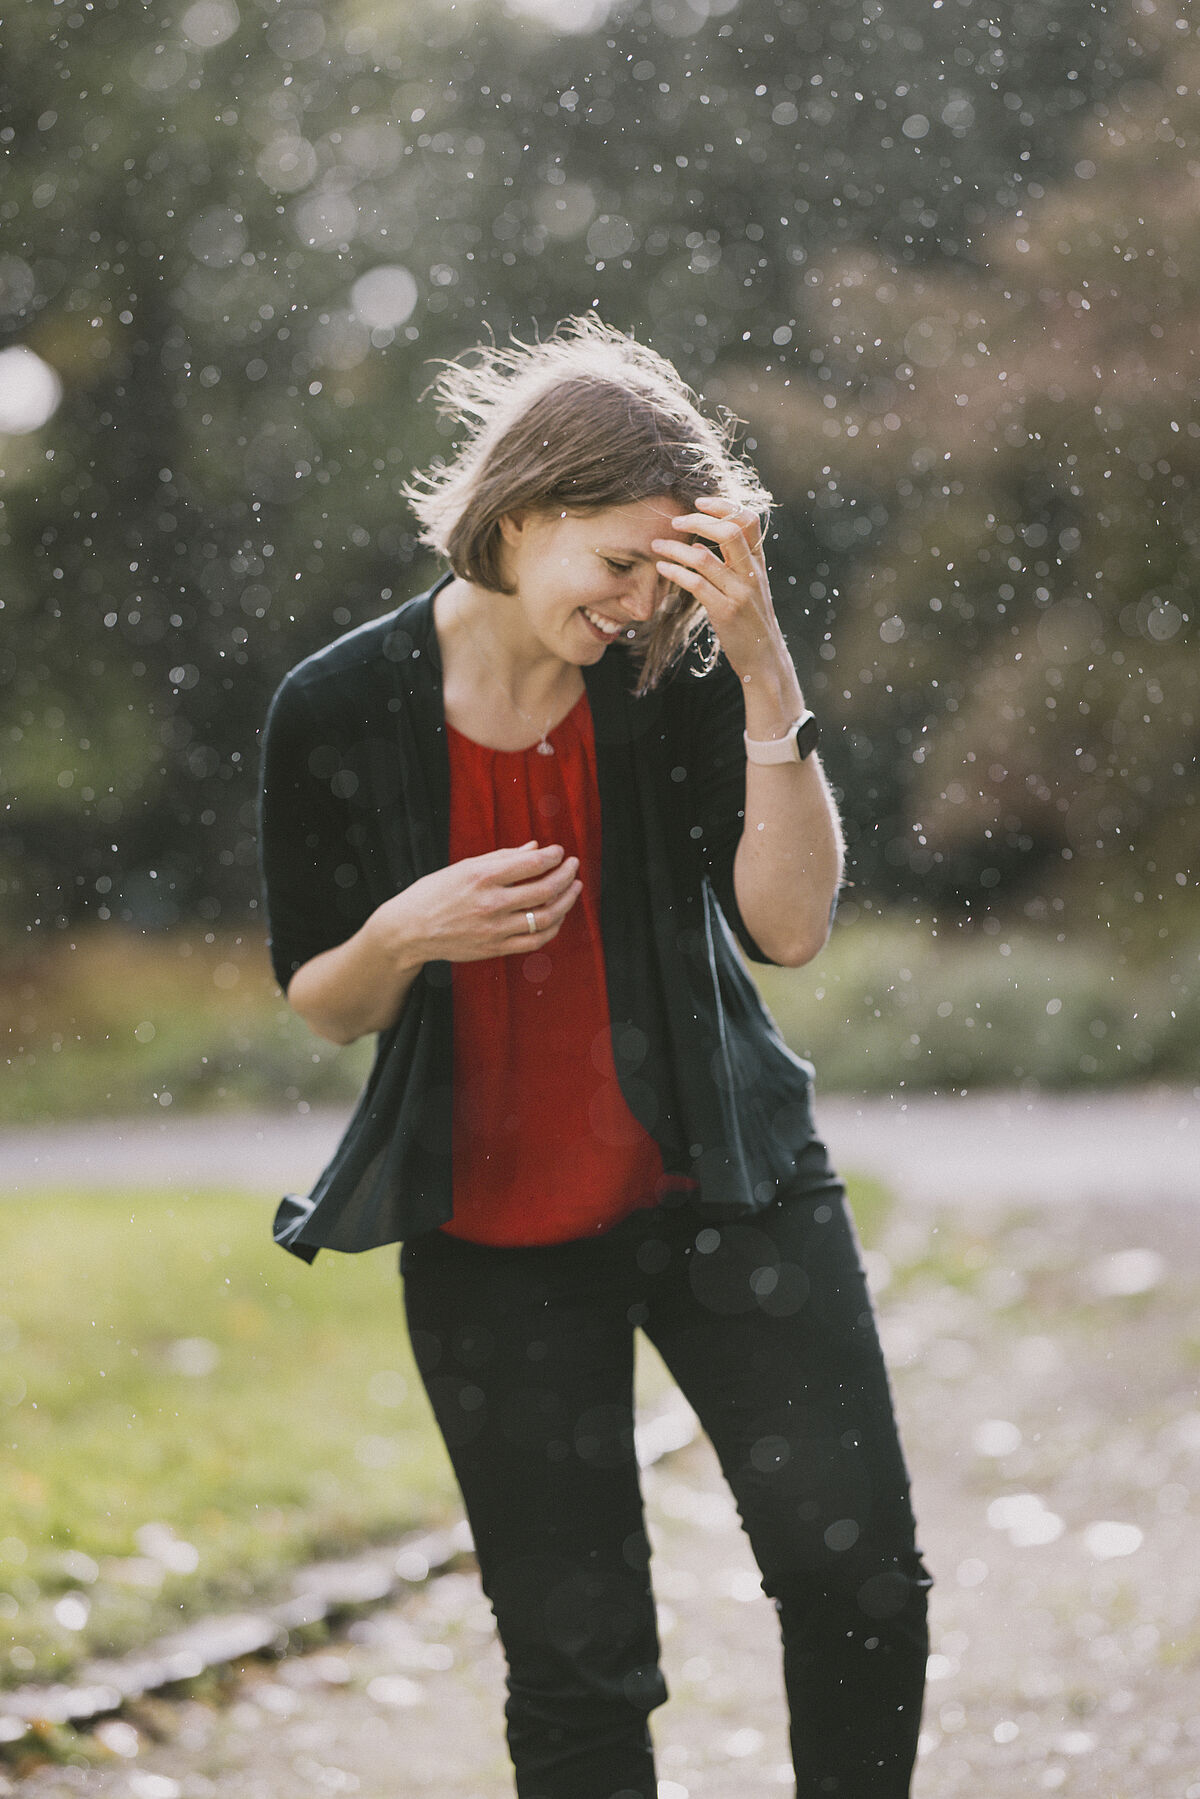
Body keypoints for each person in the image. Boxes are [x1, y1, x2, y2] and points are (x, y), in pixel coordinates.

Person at [259, 317, 930, 1799]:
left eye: (668, 573)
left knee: (863, 1584)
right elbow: (324, 1000)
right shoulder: (336, 707)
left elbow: (791, 926)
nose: (639, 603)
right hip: (495, 1247)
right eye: (618, 563)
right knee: (577, 1673)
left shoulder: (675, 677)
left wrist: (762, 667)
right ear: (517, 515)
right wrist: (406, 929)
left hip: (730, 1199)